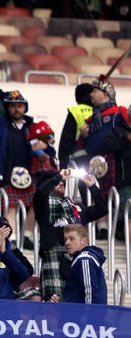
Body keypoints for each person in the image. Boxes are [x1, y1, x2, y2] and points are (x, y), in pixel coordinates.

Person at [0, 90, 56, 245]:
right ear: (7, 108)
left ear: (25, 108)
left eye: (20, 106)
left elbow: (50, 150)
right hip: (6, 173)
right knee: (10, 205)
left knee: (36, 203)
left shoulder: (32, 127)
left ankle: (26, 235)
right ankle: (11, 237)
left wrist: (45, 146)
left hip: (31, 174)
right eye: (13, 106)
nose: (16, 109)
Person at [34, 169, 107, 301]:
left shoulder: (75, 208)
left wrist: (92, 186)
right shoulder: (42, 205)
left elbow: (102, 209)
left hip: (76, 259)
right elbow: (40, 192)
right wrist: (58, 176)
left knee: (75, 301)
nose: (61, 183)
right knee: (54, 305)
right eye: (56, 182)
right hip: (54, 257)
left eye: (62, 181)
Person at [80, 76, 130, 238]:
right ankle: (102, 228)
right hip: (94, 161)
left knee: (109, 194)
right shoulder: (91, 118)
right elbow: (84, 144)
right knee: (97, 193)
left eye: (95, 91)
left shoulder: (119, 111)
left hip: (112, 161)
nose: (91, 95)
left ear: (106, 94)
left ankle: (116, 227)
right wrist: (84, 135)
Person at [61, 223, 107, 304]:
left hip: (84, 315)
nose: (67, 243)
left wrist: (88, 316)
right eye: (65, 239)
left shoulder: (84, 259)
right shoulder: (85, 258)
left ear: (84, 241)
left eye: (71, 239)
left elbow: (90, 293)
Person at [58, 83, 93, 169]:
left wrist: (62, 162)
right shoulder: (99, 110)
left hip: (79, 157)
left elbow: (67, 138)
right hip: (98, 158)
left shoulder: (75, 111)